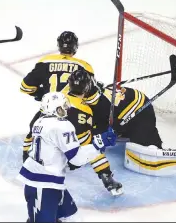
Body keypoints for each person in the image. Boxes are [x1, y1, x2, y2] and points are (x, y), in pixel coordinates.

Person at [16, 92, 117, 222]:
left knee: (71, 217)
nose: (67, 108)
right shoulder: (62, 126)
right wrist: (99, 143)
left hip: (49, 182)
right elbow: (76, 159)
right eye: (63, 106)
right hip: (43, 185)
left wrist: (96, 145)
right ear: (56, 109)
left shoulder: (39, 122)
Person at [87, 73, 176, 182]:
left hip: (140, 111)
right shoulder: (96, 94)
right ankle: (124, 132)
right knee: (101, 132)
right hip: (122, 110)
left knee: (148, 147)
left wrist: (113, 131)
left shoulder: (100, 103)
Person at [20, 31, 101, 162]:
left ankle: (27, 157)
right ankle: (83, 159)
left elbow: (25, 87)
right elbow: (93, 98)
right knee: (91, 129)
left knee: (33, 129)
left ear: (59, 45)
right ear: (75, 46)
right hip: (76, 110)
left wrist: (41, 94)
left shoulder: (45, 61)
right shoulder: (84, 66)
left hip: (49, 110)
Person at [66, 70, 123, 195]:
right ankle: (106, 177)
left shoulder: (60, 98)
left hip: (50, 151)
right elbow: (89, 147)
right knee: (92, 147)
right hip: (74, 150)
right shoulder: (86, 109)